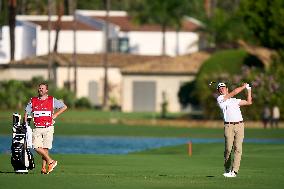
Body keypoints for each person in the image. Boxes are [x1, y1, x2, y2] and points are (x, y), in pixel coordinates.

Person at [24, 83, 67, 174]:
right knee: (36, 147)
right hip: (37, 127)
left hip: (48, 127)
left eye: (42, 88)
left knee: (45, 148)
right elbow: (27, 112)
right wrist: (25, 123)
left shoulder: (52, 100)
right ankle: (51, 161)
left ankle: (44, 168)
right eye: (39, 88)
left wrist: (55, 114)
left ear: (46, 90)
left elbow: (64, 107)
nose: (40, 89)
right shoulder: (33, 100)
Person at [216, 82, 252, 178]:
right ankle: (227, 169)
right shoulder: (220, 99)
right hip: (229, 126)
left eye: (223, 87)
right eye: (220, 88)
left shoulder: (235, 100)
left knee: (238, 148)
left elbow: (249, 102)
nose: (221, 89)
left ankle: (234, 171)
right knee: (228, 149)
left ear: (226, 89)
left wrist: (249, 90)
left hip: (240, 125)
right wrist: (243, 86)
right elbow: (234, 92)